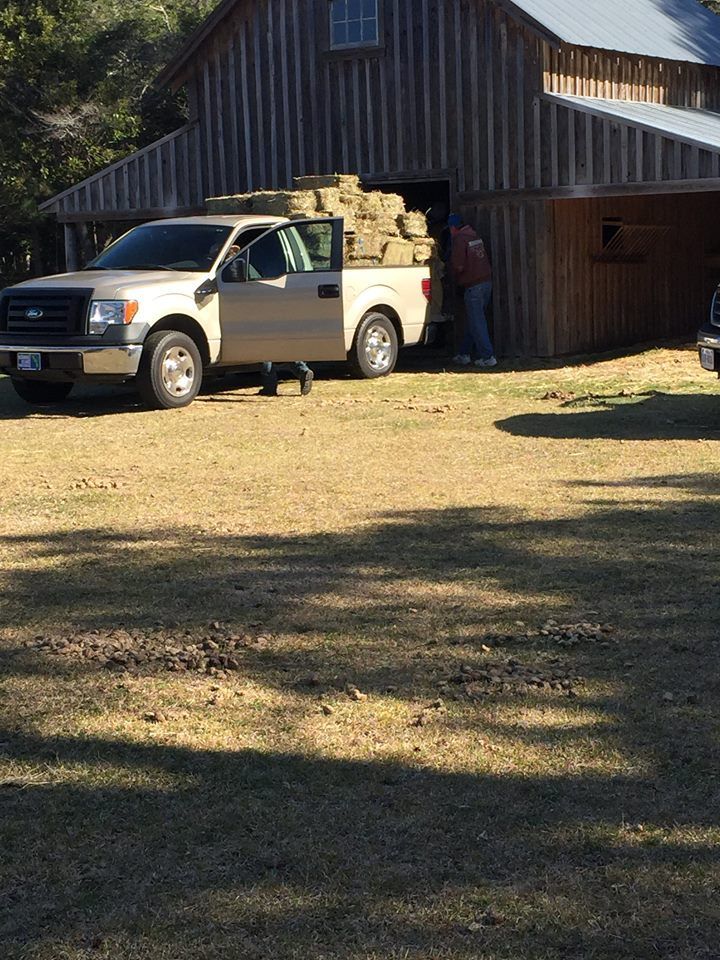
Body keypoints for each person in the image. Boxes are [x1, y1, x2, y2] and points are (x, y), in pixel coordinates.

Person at [447, 213, 496, 368]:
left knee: (477, 321)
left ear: (453, 228)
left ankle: (488, 357)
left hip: (473, 286)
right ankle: (464, 353)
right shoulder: (474, 236)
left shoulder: (459, 240)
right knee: (474, 320)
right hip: (486, 282)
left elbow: (459, 266)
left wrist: (451, 276)